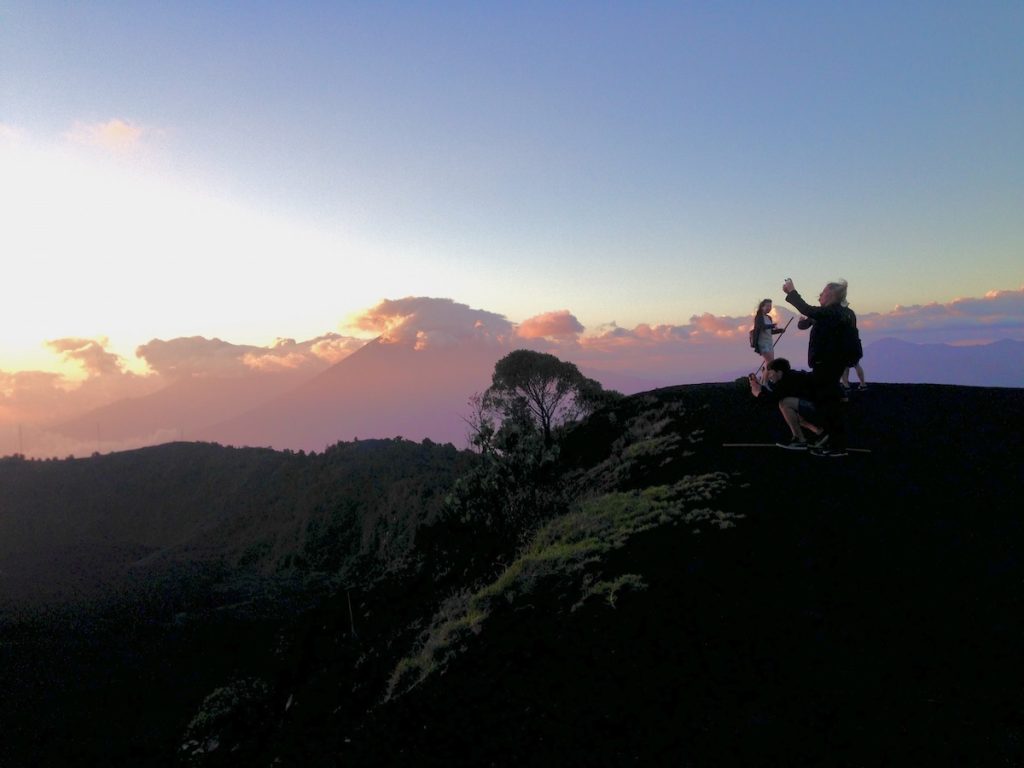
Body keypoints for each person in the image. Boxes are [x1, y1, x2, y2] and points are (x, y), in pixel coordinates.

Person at [782, 277, 855, 457]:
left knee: (827, 404)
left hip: (827, 367)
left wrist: (791, 291)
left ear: (830, 294)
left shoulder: (831, 313)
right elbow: (806, 321)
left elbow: (807, 309)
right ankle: (829, 439)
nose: (819, 296)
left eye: (822, 293)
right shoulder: (842, 314)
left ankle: (832, 443)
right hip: (833, 366)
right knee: (828, 402)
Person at [748, 358, 828, 450]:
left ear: (779, 372)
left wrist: (757, 393)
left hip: (819, 407)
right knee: (794, 415)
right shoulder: (788, 378)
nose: (769, 376)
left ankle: (799, 439)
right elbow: (774, 392)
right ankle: (820, 433)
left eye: (770, 373)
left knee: (784, 403)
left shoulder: (789, 380)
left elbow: (772, 399)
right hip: (819, 405)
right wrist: (759, 386)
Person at [751, 298, 785, 383]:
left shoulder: (769, 318)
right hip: (762, 343)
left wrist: (779, 330)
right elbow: (761, 327)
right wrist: (772, 325)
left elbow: (769, 332)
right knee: (770, 363)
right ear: (762, 307)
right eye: (767, 306)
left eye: (770, 306)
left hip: (769, 342)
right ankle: (765, 382)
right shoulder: (759, 317)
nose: (769, 308)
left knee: (769, 363)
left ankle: (763, 382)